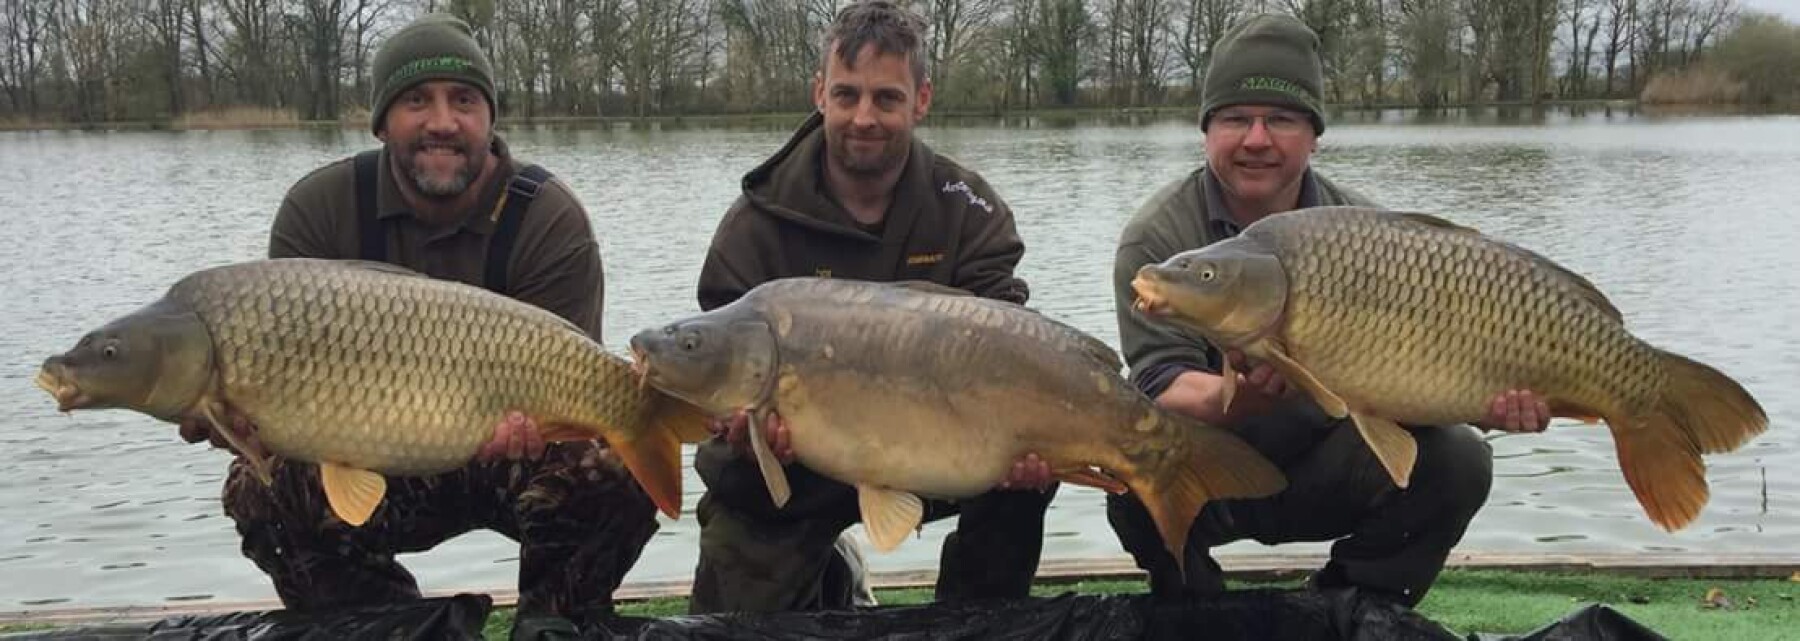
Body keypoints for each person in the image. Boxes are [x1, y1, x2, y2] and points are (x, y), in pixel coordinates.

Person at [176, 13, 655, 639]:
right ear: (381, 121)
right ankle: (384, 627)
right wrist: (240, 421)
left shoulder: (547, 218)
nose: (442, 121)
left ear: (490, 117)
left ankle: (553, 625)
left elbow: (576, 389)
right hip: (363, 451)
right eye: (416, 101)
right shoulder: (318, 209)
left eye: (464, 101)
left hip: (507, 457)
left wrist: (553, 426)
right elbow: (278, 390)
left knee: (612, 469)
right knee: (262, 488)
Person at [1108, 14, 1552, 608]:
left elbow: (1419, 380)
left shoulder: (1366, 233)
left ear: (1314, 135)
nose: (1257, 139)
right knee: (1128, 465)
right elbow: (1159, 384)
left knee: (1460, 458)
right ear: (1207, 130)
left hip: (1329, 462)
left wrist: (1484, 399)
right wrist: (1239, 398)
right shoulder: (1158, 243)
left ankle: (1351, 606)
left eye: (1282, 119)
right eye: (1235, 118)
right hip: (1212, 469)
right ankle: (1195, 608)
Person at [685, 0, 1059, 615]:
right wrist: (745, 431)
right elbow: (718, 360)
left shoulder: (967, 207)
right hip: (794, 465)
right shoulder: (754, 224)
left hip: (941, 449)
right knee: (737, 590)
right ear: (820, 94)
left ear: (921, 100)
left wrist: (1025, 439)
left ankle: (974, 618)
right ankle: (826, 570)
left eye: (886, 98)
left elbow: (1009, 335)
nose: (864, 117)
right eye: (847, 95)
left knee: (1025, 480)